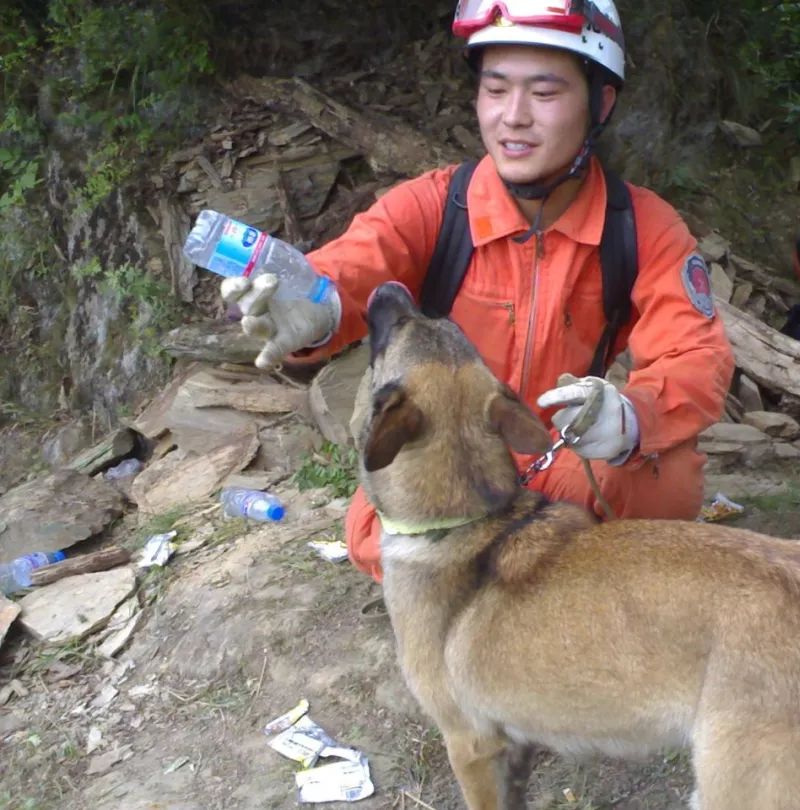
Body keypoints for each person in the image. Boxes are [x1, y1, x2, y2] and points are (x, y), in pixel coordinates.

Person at [222, 0, 735, 581]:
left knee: (661, 484)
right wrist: (314, 307)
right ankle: (529, 580)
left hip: (555, 454)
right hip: (448, 456)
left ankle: (561, 585)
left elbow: (695, 354)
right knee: (375, 536)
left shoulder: (641, 226)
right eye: (495, 90)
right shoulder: (436, 206)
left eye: (544, 94)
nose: (513, 117)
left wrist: (629, 417)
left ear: (601, 104)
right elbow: (355, 264)